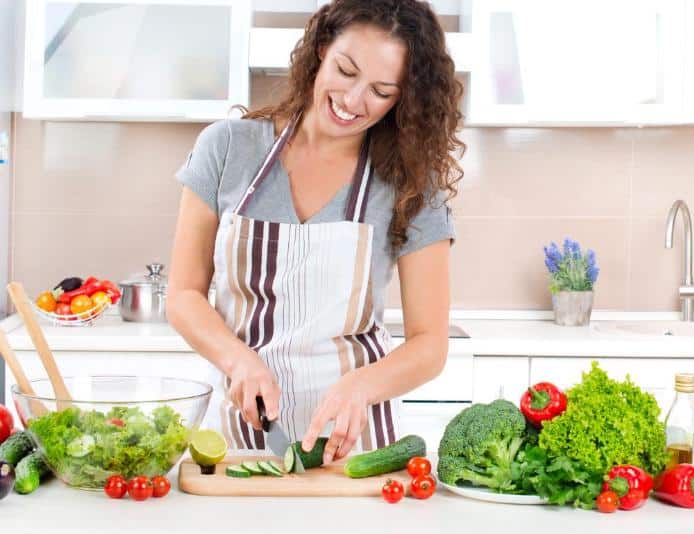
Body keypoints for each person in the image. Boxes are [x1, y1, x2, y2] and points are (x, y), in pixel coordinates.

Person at [167, 0, 464, 465]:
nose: (352, 100)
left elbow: (430, 344)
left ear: (403, 99)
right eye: (346, 71)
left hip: (357, 449)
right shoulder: (227, 147)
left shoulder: (409, 182)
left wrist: (360, 387)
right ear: (322, 49)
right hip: (239, 435)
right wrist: (237, 359)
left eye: (381, 92)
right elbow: (183, 294)